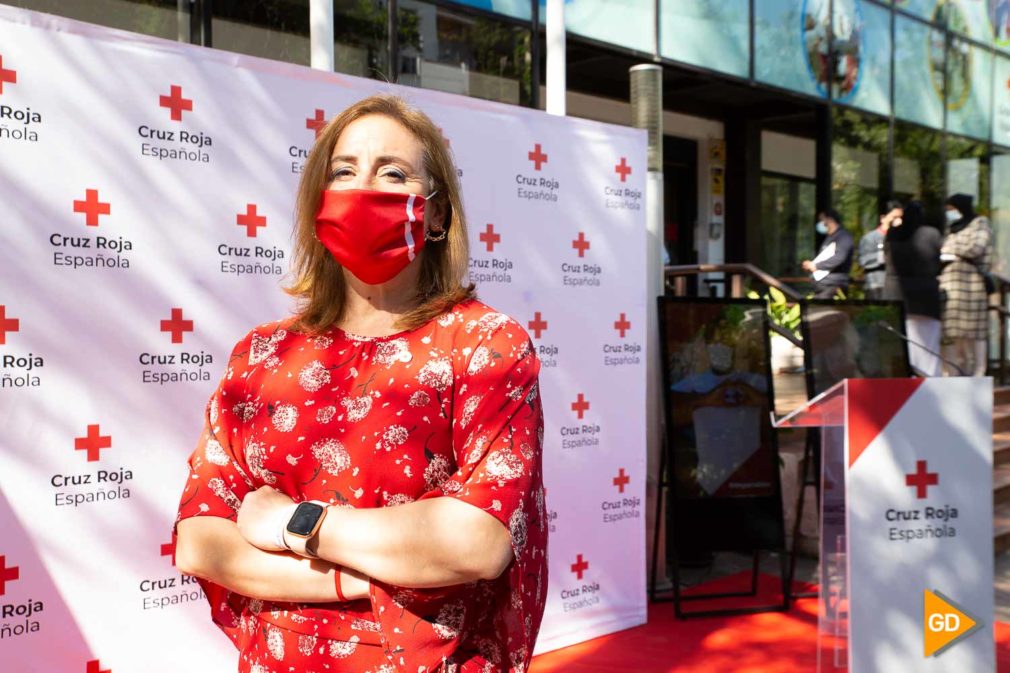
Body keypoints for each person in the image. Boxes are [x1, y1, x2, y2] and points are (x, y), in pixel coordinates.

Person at [173, 94, 548, 673]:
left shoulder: (484, 346)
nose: (362, 188)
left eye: (392, 173)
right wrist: (377, 573)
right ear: (320, 205)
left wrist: (289, 523)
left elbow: (477, 541)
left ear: (438, 213)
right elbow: (201, 540)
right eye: (343, 172)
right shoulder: (261, 355)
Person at [882, 200, 943, 376]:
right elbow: (938, 259)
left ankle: (906, 385)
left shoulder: (893, 233)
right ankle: (929, 387)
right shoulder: (931, 234)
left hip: (896, 296)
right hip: (925, 298)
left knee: (903, 346)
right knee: (928, 348)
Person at [940, 193, 994, 377]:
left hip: (971, 284)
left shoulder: (980, 223)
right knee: (952, 331)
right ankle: (953, 372)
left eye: (952, 209)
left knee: (974, 331)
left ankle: (979, 372)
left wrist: (951, 250)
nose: (950, 213)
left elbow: (976, 248)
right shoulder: (951, 228)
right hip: (949, 282)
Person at [802, 208, 854, 298]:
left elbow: (839, 258)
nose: (820, 223)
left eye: (822, 220)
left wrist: (816, 266)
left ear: (830, 220)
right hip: (822, 285)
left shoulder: (843, 237)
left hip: (834, 285)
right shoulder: (829, 238)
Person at [858, 202, 892, 299]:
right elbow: (863, 260)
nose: (897, 221)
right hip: (876, 284)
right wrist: (882, 256)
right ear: (883, 218)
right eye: (893, 217)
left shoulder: (902, 239)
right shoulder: (870, 238)